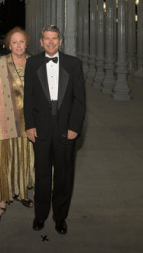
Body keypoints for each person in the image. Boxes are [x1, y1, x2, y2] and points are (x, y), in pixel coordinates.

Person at [23, 25, 86, 235]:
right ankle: (40, 215)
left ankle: (60, 218)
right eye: (47, 39)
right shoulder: (32, 63)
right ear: (41, 42)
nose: (51, 42)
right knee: (41, 174)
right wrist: (29, 125)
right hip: (40, 128)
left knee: (64, 175)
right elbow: (28, 96)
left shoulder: (74, 64)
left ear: (60, 41)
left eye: (55, 38)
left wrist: (74, 127)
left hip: (65, 129)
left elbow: (79, 100)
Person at [0, 27, 34, 226]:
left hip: (29, 121)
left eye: (21, 41)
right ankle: (2, 201)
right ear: (8, 44)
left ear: (27, 43)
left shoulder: (34, 63)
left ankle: (22, 192)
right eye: (14, 42)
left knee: (24, 157)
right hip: (4, 120)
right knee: (4, 159)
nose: (18, 45)